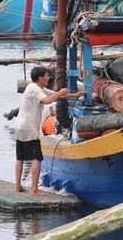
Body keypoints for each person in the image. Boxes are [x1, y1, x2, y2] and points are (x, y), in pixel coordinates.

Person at [14, 66, 83, 194]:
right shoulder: (35, 89)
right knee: (37, 158)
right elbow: (46, 100)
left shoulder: (33, 87)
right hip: (29, 127)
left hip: (20, 126)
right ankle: (34, 189)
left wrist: (74, 95)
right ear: (40, 78)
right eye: (46, 76)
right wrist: (60, 92)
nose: (48, 78)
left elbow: (54, 96)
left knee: (20, 157)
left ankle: (17, 185)